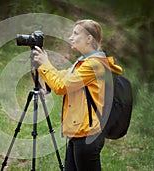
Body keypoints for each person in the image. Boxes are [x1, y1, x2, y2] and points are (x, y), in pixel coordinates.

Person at [32, 19, 123, 171]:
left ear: (89, 39)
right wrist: (42, 65)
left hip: (88, 134)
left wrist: (45, 64)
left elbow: (62, 87)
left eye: (75, 33)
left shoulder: (94, 64)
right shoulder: (84, 62)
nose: (70, 37)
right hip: (78, 132)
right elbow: (63, 77)